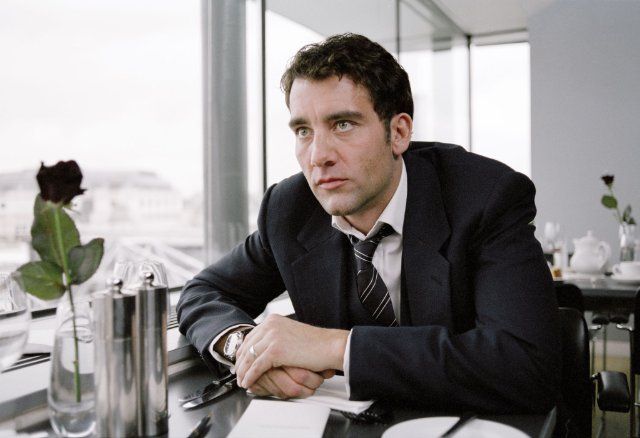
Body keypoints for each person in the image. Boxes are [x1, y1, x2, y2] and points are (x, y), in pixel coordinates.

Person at [177, 33, 560, 413]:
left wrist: (333, 346)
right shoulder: (289, 208)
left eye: (342, 124)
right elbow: (203, 292)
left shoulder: (485, 197)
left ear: (399, 133)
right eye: (303, 131)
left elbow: (526, 364)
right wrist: (246, 347)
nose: (318, 156)